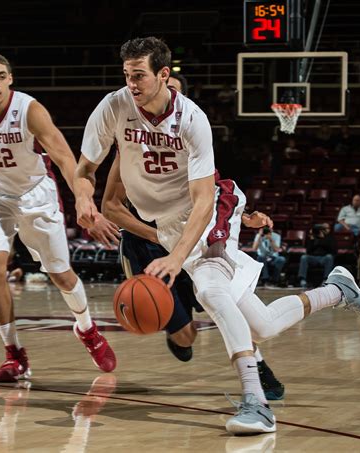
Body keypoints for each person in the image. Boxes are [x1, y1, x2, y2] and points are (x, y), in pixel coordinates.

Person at [74, 36, 360, 435]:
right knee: (263, 325)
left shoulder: (192, 119)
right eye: (127, 76)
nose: (131, 84)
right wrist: (85, 201)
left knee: (210, 291)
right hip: (168, 225)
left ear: (164, 75)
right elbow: (85, 171)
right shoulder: (114, 108)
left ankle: (256, 403)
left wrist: (174, 256)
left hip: (212, 209)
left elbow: (203, 201)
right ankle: (339, 290)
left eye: (139, 76)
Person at [101, 71, 284, 399]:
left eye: (175, 93)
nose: (168, 98)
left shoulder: (189, 134)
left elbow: (215, 192)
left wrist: (247, 215)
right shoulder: (129, 144)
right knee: (186, 338)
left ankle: (256, 366)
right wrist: (159, 238)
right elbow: (111, 209)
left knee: (228, 303)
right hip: (150, 245)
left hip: (191, 240)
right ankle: (179, 330)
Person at [0, 52, 116, 383]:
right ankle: (14, 355)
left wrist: (82, 199)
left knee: (61, 275)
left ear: (10, 80)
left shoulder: (30, 110)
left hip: (36, 195)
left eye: (1, 76)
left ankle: (87, 329)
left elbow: (65, 157)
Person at [297, 223, 336, 288]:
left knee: (329, 257)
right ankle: (302, 280)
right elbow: (308, 251)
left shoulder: (330, 238)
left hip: (324, 258)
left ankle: (326, 279)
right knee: (304, 257)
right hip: (313, 258)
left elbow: (333, 250)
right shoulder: (313, 237)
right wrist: (312, 240)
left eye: (325, 229)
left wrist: (323, 238)